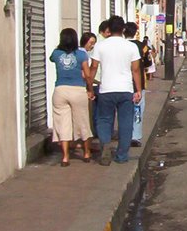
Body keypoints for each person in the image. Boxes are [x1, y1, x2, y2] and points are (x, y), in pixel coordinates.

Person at [88, 15, 143, 165]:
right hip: (126, 89)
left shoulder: (100, 46)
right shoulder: (131, 46)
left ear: (108, 29)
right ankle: (122, 156)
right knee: (125, 123)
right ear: (123, 29)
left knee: (104, 120)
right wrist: (138, 90)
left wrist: (89, 87)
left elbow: (93, 67)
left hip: (106, 89)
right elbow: (136, 70)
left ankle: (105, 143)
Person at [49, 27, 93, 166]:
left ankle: (65, 157)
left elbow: (52, 59)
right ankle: (86, 153)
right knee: (83, 122)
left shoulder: (56, 53)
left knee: (63, 124)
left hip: (60, 90)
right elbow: (87, 75)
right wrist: (90, 90)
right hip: (78, 90)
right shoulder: (81, 55)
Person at [128, 24, 153, 147]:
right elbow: (148, 62)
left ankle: (125, 134)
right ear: (135, 32)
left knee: (124, 111)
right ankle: (135, 136)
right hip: (139, 84)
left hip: (123, 84)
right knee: (137, 110)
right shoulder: (142, 46)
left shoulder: (120, 46)